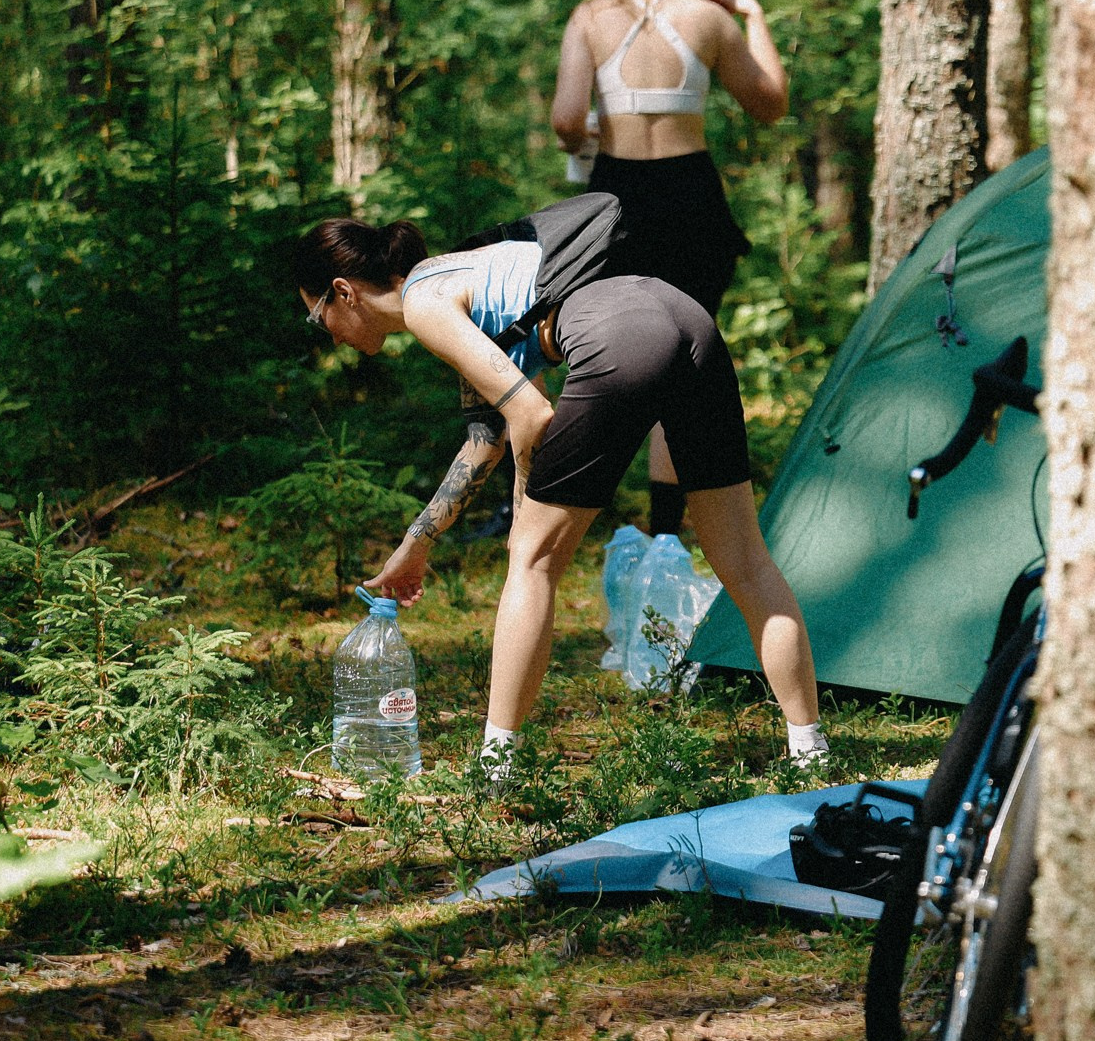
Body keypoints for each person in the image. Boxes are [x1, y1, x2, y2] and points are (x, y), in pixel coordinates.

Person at [294, 219, 829, 772]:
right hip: (686, 315)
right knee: (744, 560)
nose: (328, 334)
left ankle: (497, 766)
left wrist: (526, 507)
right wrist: (416, 544)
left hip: (618, 334)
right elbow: (487, 437)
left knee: (531, 562)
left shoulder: (425, 302)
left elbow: (530, 414)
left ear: (344, 291)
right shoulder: (454, 278)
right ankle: (810, 749)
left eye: (319, 318)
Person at [550, 0, 787, 539]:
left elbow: (567, 122)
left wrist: (594, 133)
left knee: (612, 349)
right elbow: (769, 102)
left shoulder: (592, 15)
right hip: (689, 196)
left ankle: (559, 508)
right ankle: (664, 534)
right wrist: (755, 16)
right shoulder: (708, 20)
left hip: (615, 200)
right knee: (684, 351)